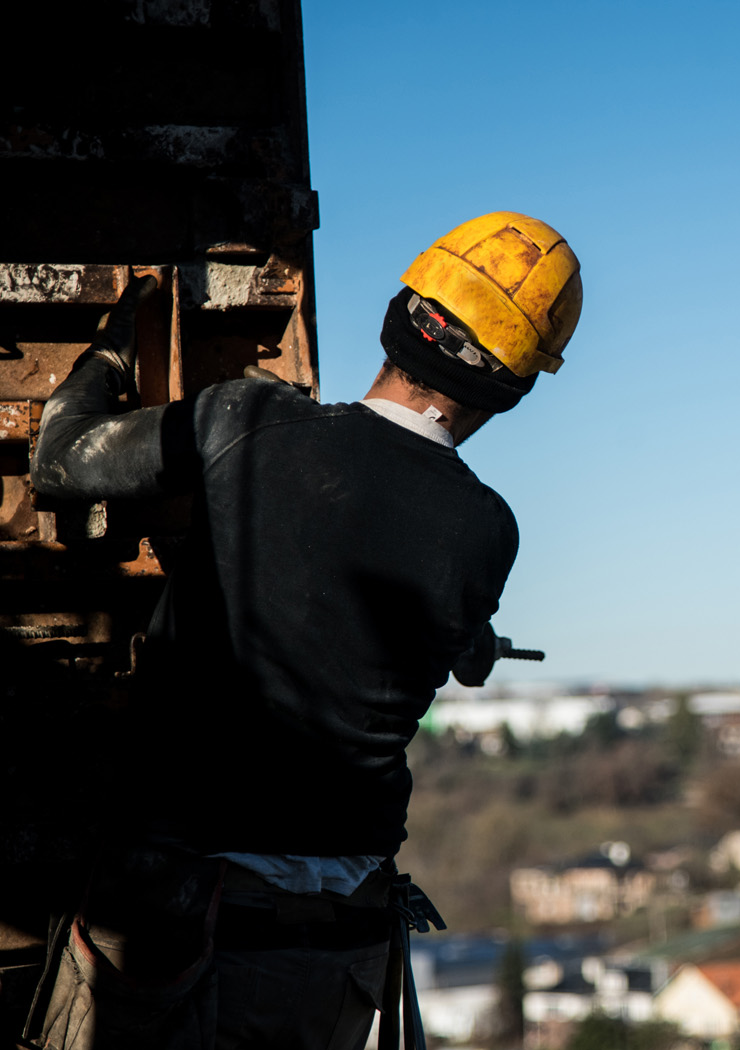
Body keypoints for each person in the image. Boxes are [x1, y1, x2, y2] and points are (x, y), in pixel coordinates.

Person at [25, 211, 582, 1050]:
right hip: (339, 952)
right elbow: (451, 645)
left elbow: (60, 460)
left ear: (404, 313)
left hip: (181, 931)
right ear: (511, 387)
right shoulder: (486, 530)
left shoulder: (252, 425)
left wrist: (109, 354)